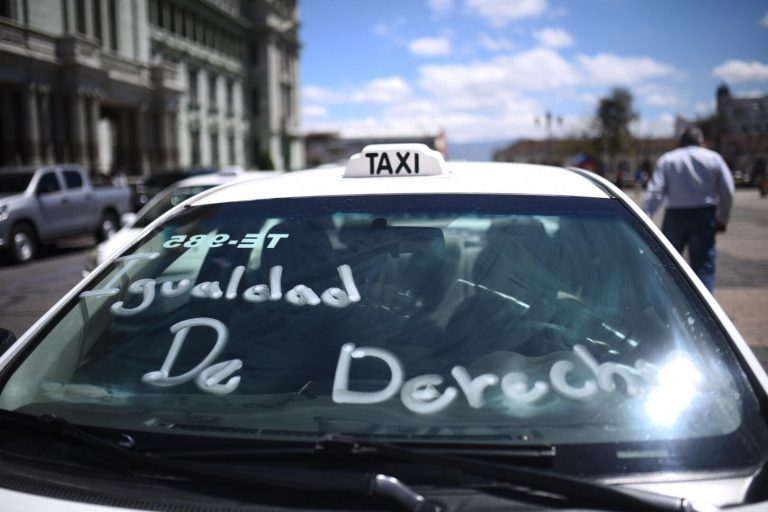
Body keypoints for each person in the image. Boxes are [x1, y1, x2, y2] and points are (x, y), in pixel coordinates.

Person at [642, 127, 734, 291]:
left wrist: (644, 217)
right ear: (701, 141)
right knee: (703, 266)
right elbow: (727, 190)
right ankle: (704, 311)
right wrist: (723, 219)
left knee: (668, 263)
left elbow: (655, 191)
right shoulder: (713, 158)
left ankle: (667, 305)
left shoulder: (668, 159)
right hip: (704, 214)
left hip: (675, 215)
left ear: (681, 141)